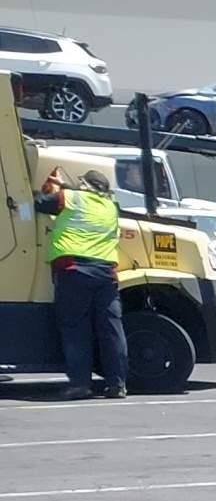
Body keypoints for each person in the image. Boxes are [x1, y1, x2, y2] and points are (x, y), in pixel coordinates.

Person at [33, 167, 127, 400]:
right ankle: (117, 384)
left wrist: (52, 187)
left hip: (74, 271)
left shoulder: (70, 198)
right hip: (106, 274)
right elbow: (80, 202)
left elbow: (40, 203)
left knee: (76, 330)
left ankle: (80, 384)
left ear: (84, 185)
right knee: (111, 330)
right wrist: (64, 188)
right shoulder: (111, 208)